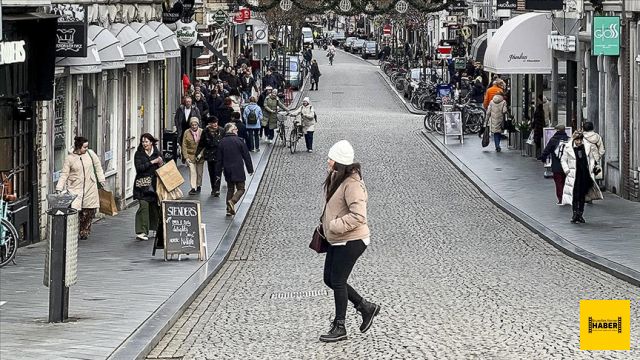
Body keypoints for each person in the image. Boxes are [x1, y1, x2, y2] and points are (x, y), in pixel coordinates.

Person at [320, 140, 379, 343]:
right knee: (329, 278)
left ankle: (340, 326)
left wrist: (335, 225)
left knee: (337, 281)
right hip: (337, 240)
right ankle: (365, 307)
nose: (328, 161)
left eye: (331, 158)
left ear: (339, 162)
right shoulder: (337, 177)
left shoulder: (353, 184)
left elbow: (358, 216)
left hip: (352, 240)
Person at [56, 136, 106, 240]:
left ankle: (84, 231)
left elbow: (97, 166)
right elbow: (64, 174)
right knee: (76, 211)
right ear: (79, 147)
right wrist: (59, 187)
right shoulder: (70, 158)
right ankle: (75, 230)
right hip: (75, 187)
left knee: (89, 210)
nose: (86, 149)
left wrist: (101, 179)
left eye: (87, 146)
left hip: (90, 186)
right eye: (84, 147)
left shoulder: (90, 154)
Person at [561, 131, 603, 223]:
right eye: (577, 140)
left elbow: (592, 158)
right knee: (575, 195)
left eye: (580, 140)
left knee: (582, 195)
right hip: (574, 175)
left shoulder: (587, 147)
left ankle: (580, 214)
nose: (579, 142)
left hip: (585, 174)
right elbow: (563, 160)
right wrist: (566, 170)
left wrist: (591, 167)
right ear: (574, 139)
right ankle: (575, 213)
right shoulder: (568, 147)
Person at [216, 123, 254, 216]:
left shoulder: (222, 142)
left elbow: (219, 159)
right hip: (238, 168)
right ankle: (232, 202)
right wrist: (250, 169)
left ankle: (228, 210)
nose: (237, 130)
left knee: (230, 188)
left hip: (227, 169)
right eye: (235, 129)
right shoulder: (239, 140)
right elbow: (246, 156)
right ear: (231, 130)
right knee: (241, 188)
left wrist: (217, 172)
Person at [133, 133, 164, 241]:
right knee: (143, 205)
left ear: (151, 142)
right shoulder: (139, 154)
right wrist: (152, 162)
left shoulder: (157, 153)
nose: (144, 144)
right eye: (143, 142)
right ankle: (141, 231)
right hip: (142, 184)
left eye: (146, 141)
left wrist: (160, 164)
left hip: (155, 184)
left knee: (154, 207)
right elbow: (139, 168)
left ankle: (155, 228)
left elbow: (162, 167)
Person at [538, 124, 569, 204]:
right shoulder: (568, 139)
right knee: (566, 182)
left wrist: (543, 158)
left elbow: (546, 150)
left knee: (558, 182)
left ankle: (561, 199)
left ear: (557, 130)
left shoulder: (553, 140)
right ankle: (567, 198)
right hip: (567, 165)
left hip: (557, 165)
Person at [196, 117, 224, 197]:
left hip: (219, 154)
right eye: (213, 123)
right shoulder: (205, 131)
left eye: (216, 122)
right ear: (209, 124)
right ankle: (213, 188)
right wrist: (197, 153)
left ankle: (217, 189)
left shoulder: (221, 131)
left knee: (218, 172)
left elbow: (225, 142)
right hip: (209, 155)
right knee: (212, 173)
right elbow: (202, 143)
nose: (215, 124)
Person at [182, 117, 204, 195]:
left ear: (198, 124)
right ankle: (193, 187)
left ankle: (199, 185)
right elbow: (184, 145)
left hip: (200, 156)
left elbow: (204, 145)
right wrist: (186, 157)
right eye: (192, 125)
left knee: (199, 172)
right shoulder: (186, 132)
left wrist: (201, 154)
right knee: (192, 172)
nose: (194, 126)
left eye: (195, 125)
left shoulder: (202, 132)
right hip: (190, 155)